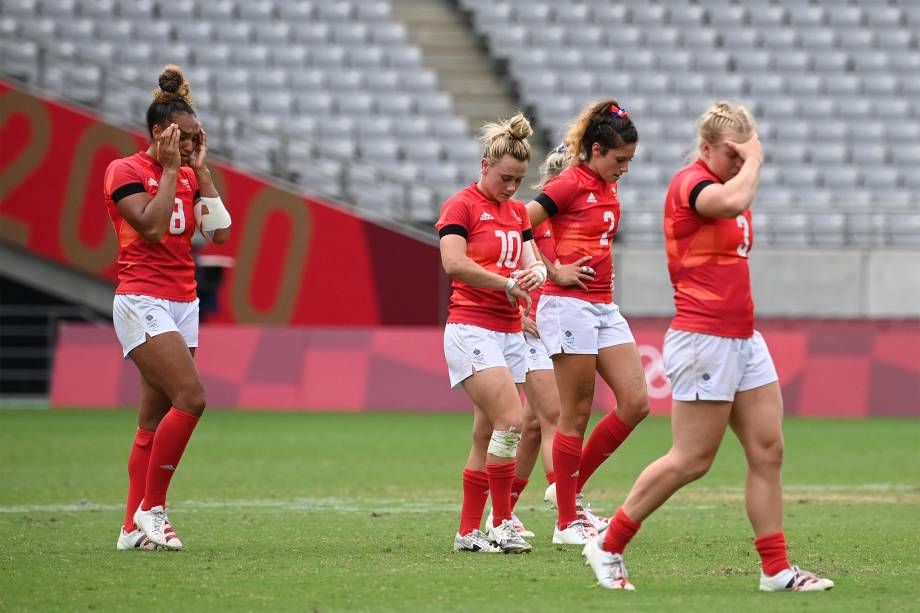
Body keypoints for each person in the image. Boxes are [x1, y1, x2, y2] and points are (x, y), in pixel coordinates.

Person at [582, 101, 834, 592]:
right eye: (731, 154)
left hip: (742, 338)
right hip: (703, 339)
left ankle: (775, 570)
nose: (739, 162)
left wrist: (746, 164)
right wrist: (756, 160)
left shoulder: (729, 183)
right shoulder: (690, 183)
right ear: (705, 148)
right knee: (692, 459)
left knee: (768, 450)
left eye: (745, 154)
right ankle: (608, 543)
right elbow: (731, 203)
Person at [103, 65, 232, 551]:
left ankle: (130, 529)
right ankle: (152, 510)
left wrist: (200, 170)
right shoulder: (126, 170)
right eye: (186, 137)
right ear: (160, 132)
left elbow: (218, 233)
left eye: (197, 138)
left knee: (151, 422)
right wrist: (173, 171)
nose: (191, 144)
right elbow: (153, 229)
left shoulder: (189, 172)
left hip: (183, 301)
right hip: (141, 298)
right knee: (192, 398)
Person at [524, 100, 651, 546]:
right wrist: (552, 267)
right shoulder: (571, 183)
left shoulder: (604, 182)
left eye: (630, 161)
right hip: (567, 306)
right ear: (596, 150)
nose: (625, 169)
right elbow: (523, 219)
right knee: (574, 414)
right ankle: (566, 523)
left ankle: (567, 491)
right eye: (620, 160)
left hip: (602, 305)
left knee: (636, 403)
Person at [437, 113, 548, 554]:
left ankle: (468, 532)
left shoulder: (518, 212)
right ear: (485, 166)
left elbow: (528, 255)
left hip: (507, 332)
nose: (510, 188)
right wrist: (506, 283)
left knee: (488, 434)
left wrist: (536, 271)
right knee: (512, 422)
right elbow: (454, 263)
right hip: (470, 327)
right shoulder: (460, 206)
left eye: (518, 180)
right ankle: (502, 522)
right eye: (504, 177)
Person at [485, 144, 599, 538]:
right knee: (553, 416)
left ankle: (504, 512)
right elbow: (513, 265)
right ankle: (570, 511)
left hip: (546, 326)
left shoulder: (569, 219)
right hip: (532, 324)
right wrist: (520, 310)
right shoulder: (537, 217)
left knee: (535, 424)